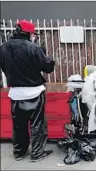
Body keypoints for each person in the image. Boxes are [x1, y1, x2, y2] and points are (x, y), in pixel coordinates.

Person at [0, 20, 55, 162]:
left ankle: (19, 152)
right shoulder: (33, 48)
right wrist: (44, 54)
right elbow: (48, 67)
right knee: (37, 126)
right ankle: (36, 154)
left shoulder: (3, 48)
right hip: (34, 93)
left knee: (19, 126)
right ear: (29, 33)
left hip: (15, 93)